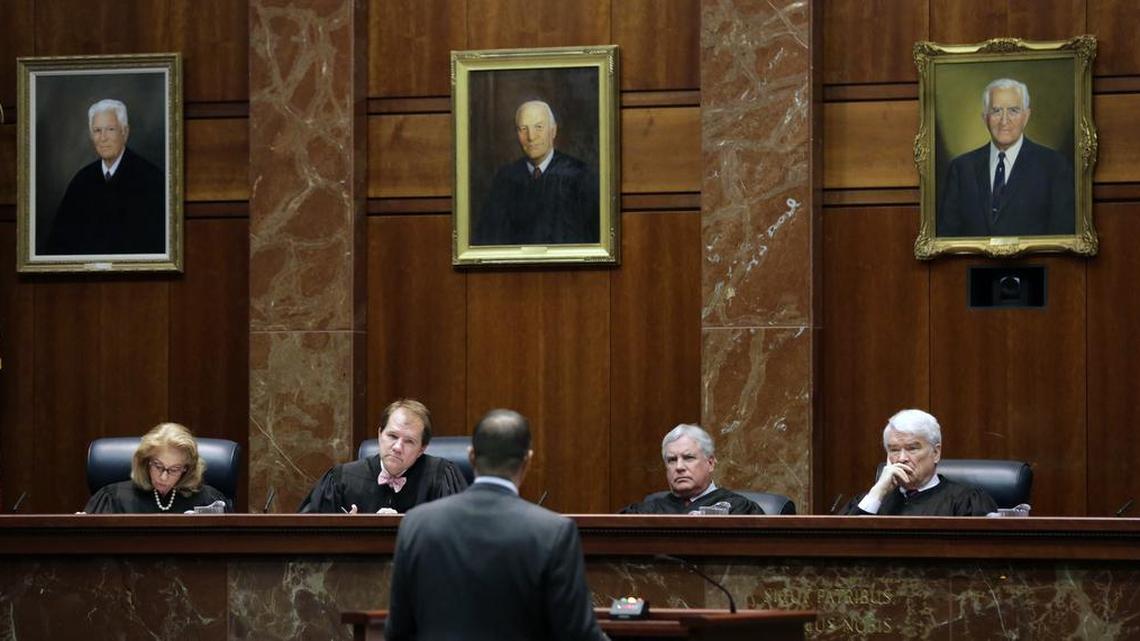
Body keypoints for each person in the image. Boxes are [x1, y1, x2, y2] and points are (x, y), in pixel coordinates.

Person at [385, 409, 607, 641]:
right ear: (527, 461)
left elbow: (398, 631)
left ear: (471, 456)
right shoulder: (554, 532)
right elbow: (578, 634)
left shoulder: (417, 524)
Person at [938, 78, 1075, 237]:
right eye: (996, 111)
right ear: (985, 117)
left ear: (1026, 116)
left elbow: (1062, 237)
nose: (1004, 121)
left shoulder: (1054, 166)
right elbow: (947, 238)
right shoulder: (961, 168)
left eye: (1013, 111)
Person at [298, 399, 467, 513]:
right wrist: (346, 532)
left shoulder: (441, 478)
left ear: (422, 449)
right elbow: (308, 538)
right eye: (392, 436)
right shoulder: (341, 481)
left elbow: (459, 537)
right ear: (379, 434)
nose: (397, 447)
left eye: (409, 441)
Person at [45, 98, 166, 255]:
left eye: (110, 129)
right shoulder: (81, 181)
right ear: (91, 135)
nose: (103, 138)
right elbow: (58, 243)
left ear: (125, 132)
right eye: (97, 130)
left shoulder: (151, 179)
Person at [472, 99, 600, 245]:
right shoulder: (505, 178)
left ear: (553, 131)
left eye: (538, 127)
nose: (531, 137)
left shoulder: (579, 175)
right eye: (523, 129)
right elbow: (487, 239)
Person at [843, 409, 997, 516]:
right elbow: (843, 545)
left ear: (936, 453)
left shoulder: (966, 501)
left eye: (912, 448)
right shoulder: (871, 499)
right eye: (894, 450)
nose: (902, 458)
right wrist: (877, 493)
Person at [83, 422, 232, 514]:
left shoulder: (209, 500)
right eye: (158, 466)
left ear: (187, 468)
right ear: (146, 461)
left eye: (174, 469)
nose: (163, 477)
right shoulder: (113, 498)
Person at [618, 424, 764, 515]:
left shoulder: (738, 508)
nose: (679, 467)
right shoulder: (649, 510)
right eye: (672, 460)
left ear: (710, 463)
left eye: (688, 458)